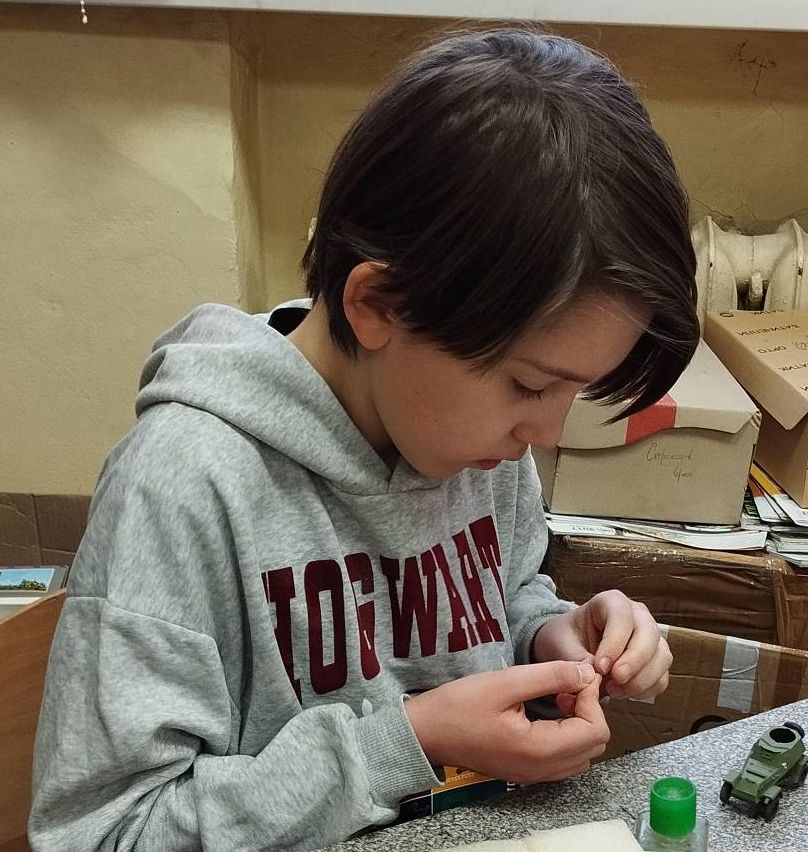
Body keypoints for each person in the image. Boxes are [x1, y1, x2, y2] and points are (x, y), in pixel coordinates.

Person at [29, 26, 699, 852]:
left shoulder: (472, 438)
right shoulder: (182, 487)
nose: (543, 434)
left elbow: (503, 593)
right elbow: (103, 833)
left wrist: (551, 634)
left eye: (573, 390)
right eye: (530, 385)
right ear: (378, 304)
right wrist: (402, 743)